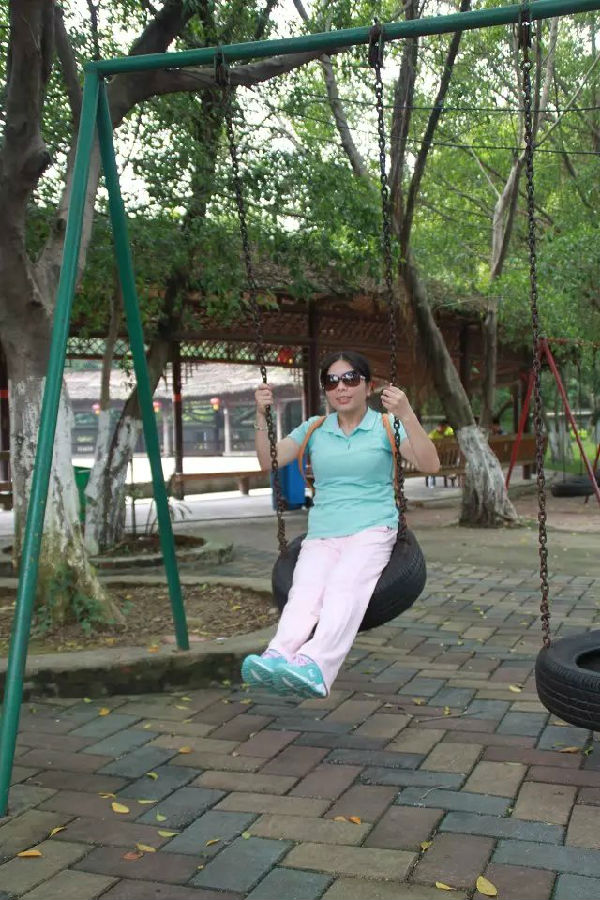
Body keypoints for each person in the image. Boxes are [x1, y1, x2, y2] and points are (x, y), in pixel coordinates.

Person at [241, 351, 440, 699]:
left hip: (372, 528)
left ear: (368, 386)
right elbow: (268, 461)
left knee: (343, 586)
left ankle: (317, 665)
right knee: (304, 592)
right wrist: (261, 415)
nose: (341, 388)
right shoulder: (315, 429)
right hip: (323, 532)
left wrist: (406, 414)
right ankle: (279, 653)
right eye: (331, 382)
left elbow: (430, 464)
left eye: (350, 379)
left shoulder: (384, 426)